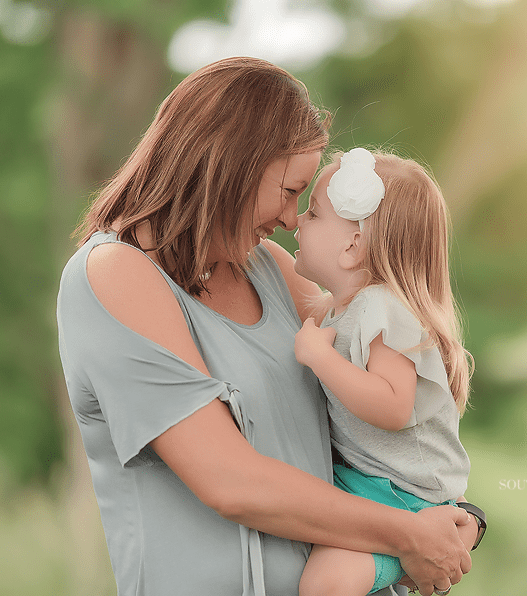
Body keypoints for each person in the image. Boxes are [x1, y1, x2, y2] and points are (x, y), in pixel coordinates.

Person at [56, 57, 478, 596]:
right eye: (289, 191)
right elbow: (229, 480)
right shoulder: (117, 275)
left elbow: (391, 410)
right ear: (230, 167)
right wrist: (411, 535)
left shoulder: (272, 270)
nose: (291, 218)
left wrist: (457, 517)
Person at [292, 148, 476, 596]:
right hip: (369, 483)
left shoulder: (382, 307)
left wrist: (321, 358)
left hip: (403, 495)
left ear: (353, 247)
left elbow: (393, 405)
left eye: (312, 214)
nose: (296, 221)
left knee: (326, 585)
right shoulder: (341, 308)